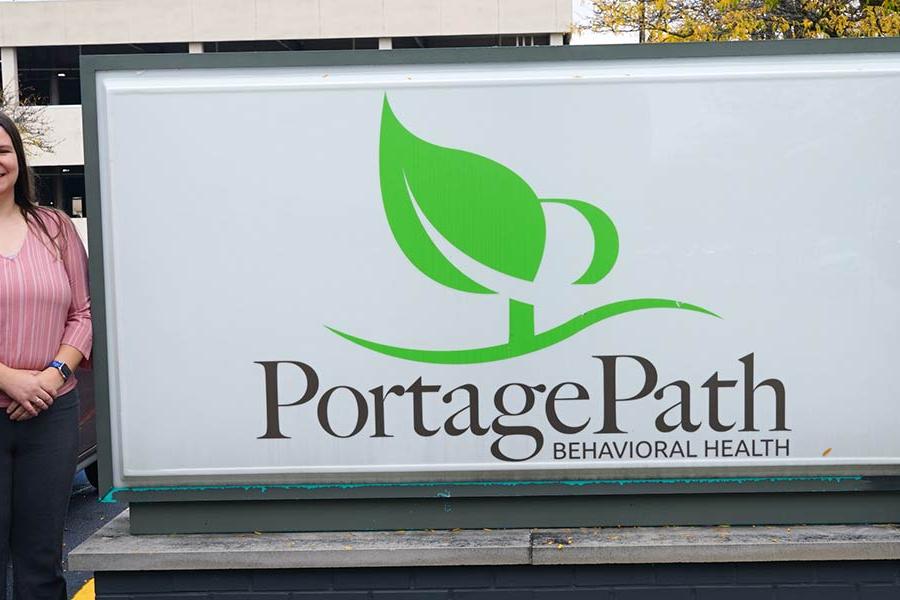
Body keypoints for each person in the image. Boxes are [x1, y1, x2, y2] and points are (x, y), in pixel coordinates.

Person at [0, 111, 92, 600]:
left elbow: (84, 312)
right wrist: (10, 379)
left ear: (18, 158)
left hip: (51, 413)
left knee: (40, 560)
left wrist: (52, 377)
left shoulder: (53, 228)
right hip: (10, 399)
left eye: (3, 150)